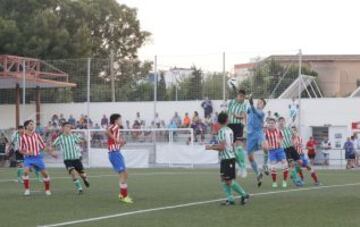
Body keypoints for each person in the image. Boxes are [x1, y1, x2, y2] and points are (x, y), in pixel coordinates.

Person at [205, 112, 249, 206]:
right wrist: (236, 157)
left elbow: (222, 147)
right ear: (226, 120)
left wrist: (210, 147)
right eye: (228, 118)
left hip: (227, 159)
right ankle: (230, 199)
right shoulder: (229, 130)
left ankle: (244, 194)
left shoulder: (221, 132)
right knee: (223, 178)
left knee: (228, 180)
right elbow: (231, 145)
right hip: (228, 158)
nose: (229, 119)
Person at [20, 120, 57, 196]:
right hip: (28, 158)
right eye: (31, 124)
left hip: (37, 157)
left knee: (45, 174)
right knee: (25, 171)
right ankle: (27, 190)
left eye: (33, 124)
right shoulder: (22, 137)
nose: (32, 126)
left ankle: (47, 190)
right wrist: (27, 153)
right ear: (26, 126)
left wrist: (51, 154)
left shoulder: (37, 135)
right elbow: (20, 150)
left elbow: (43, 147)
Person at [51, 122, 90, 194]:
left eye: (69, 127)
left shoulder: (74, 136)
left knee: (83, 174)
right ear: (63, 128)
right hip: (67, 159)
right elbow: (53, 145)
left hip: (76, 158)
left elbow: (80, 141)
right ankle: (80, 189)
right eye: (67, 126)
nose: (68, 128)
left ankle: (85, 179)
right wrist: (53, 152)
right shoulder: (60, 138)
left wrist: (84, 140)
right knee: (73, 173)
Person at [107, 114, 133, 203]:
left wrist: (121, 143)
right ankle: (124, 196)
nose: (121, 121)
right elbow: (106, 131)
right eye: (120, 119)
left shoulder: (117, 129)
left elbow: (115, 143)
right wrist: (117, 140)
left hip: (117, 153)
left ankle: (122, 193)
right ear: (116, 120)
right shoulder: (114, 126)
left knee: (125, 174)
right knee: (123, 174)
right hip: (114, 154)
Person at [227, 89, 248, 178]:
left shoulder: (244, 104)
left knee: (239, 147)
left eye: (243, 97)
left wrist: (237, 116)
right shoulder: (231, 102)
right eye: (240, 96)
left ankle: (243, 167)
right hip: (230, 126)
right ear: (237, 96)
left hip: (239, 125)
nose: (242, 98)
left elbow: (243, 116)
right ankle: (240, 165)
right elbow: (228, 113)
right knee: (231, 150)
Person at [246, 95, 266, 187]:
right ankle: (258, 173)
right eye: (258, 101)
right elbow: (246, 111)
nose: (259, 103)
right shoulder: (250, 108)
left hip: (258, 133)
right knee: (250, 157)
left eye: (261, 102)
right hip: (250, 135)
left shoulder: (262, 113)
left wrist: (251, 102)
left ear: (263, 106)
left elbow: (254, 111)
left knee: (265, 147)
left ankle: (265, 165)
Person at [277, 117, 302, 186]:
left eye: (282, 121)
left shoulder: (288, 129)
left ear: (284, 122)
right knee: (292, 164)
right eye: (280, 121)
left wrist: (295, 141)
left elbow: (294, 136)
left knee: (300, 162)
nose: (281, 122)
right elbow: (278, 140)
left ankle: (293, 174)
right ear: (278, 123)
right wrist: (279, 143)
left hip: (292, 147)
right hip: (285, 149)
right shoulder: (277, 131)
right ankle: (296, 180)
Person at [265, 118, 289, 188]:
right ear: (268, 124)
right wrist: (268, 146)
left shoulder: (278, 131)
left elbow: (281, 139)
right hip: (272, 151)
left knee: (285, 164)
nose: (271, 124)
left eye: (272, 123)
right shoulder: (266, 132)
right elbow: (265, 141)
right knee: (273, 167)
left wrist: (280, 142)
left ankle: (284, 181)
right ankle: (274, 182)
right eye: (270, 123)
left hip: (280, 150)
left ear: (275, 124)